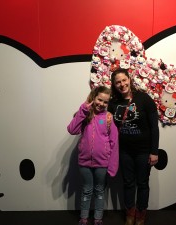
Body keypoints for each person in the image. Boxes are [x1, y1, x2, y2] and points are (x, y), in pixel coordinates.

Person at [108, 68, 159, 225]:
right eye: (118, 82)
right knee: (128, 183)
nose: (122, 84)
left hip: (143, 151)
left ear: (129, 79)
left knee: (142, 183)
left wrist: (154, 152)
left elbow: (154, 127)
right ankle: (130, 213)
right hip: (124, 151)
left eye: (124, 80)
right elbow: (105, 123)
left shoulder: (144, 99)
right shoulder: (113, 103)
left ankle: (141, 214)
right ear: (114, 85)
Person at [67, 86, 119, 225]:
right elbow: (72, 130)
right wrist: (83, 110)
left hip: (102, 163)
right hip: (84, 162)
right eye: (99, 100)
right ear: (94, 98)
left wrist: (112, 167)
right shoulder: (85, 114)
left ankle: (98, 218)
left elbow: (114, 143)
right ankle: (84, 218)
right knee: (86, 190)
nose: (101, 104)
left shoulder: (108, 118)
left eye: (105, 102)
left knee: (99, 191)